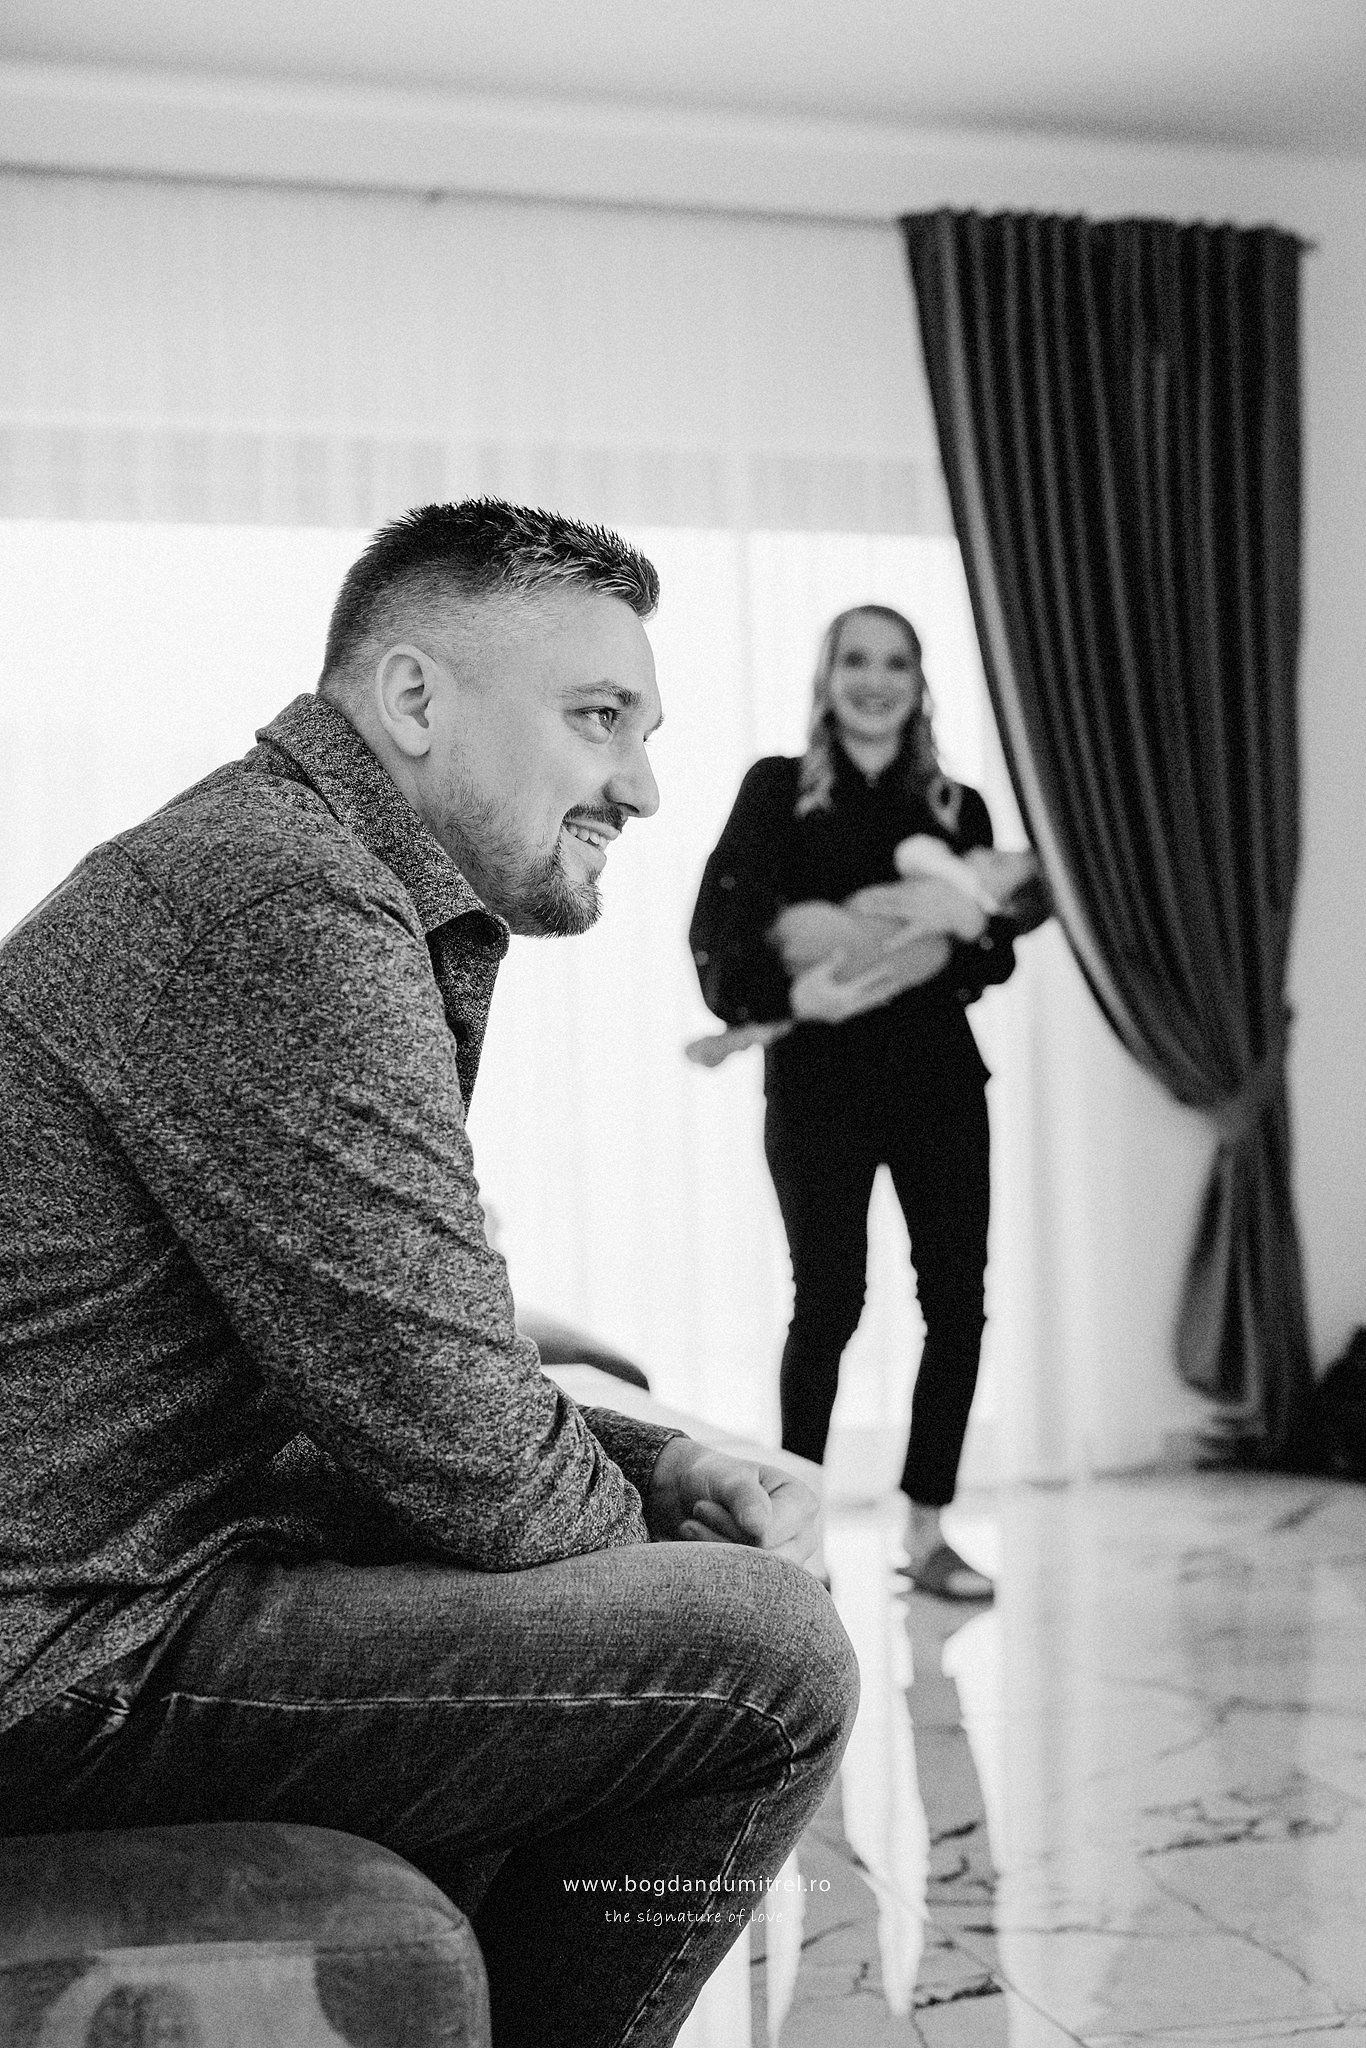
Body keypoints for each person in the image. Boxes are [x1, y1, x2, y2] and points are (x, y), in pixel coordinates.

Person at [0, 500, 859, 2048]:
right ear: (411, 698)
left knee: (644, 1585)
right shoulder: (284, 907)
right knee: (766, 1657)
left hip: (129, 1582)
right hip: (62, 1655)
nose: (642, 786)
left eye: (646, 732)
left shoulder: (292, 868)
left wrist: (656, 1468)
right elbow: (463, 1453)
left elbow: (394, 1368)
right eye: (598, 718)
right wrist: (659, 1525)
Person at [690, 604, 1028, 1603]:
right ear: (826, 676)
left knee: (956, 1305)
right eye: (856, 660)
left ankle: (927, 1530)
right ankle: (797, 1537)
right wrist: (794, 995)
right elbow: (717, 932)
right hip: (817, 1090)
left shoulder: (958, 806)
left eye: (895, 663)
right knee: (829, 1303)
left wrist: (967, 924)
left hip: (940, 1086)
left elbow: (992, 954)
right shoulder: (775, 790)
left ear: (919, 683)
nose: (875, 680)